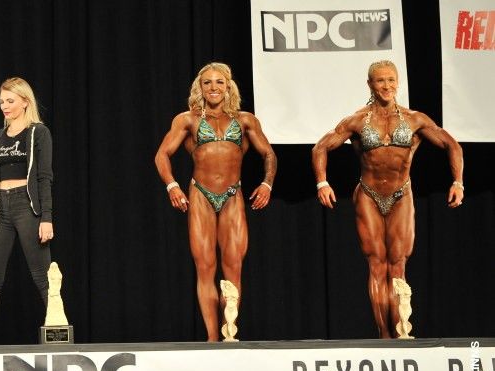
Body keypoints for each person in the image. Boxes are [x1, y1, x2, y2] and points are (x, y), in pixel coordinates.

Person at [311, 60, 463, 339]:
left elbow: (451, 144)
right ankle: (384, 335)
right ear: (370, 84)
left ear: (397, 82)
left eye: (391, 80)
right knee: (377, 264)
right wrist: (322, 182)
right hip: (368, 195)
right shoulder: (357, 120)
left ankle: (401, 330)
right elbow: (321, 147)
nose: (387, 86)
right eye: (380, 80)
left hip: (401, 194)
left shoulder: (415, 119)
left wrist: (458, 182)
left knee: (398, 264)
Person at [154, 62, 276, 342]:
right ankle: (212, 339)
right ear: (200, 87)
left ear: (228, 86)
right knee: (205, 267)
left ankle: (229, 333)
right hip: (201, 195)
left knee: (233, 267)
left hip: (232, 195)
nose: (213, 87)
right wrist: (172, 186)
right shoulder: (187, 120)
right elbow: (162, 154)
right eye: (207, 82)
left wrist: (267, 183)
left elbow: (269, 154)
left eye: (219, 82)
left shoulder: (245, 120)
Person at [0, 77, 54, 347]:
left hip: (26, 206)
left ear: (25, 102)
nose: (5, 106)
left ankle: (58, 331)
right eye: (2, 102)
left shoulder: (38, 132)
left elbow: (44, 178)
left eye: (10, 101)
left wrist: (46, 218)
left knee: (42, 276)